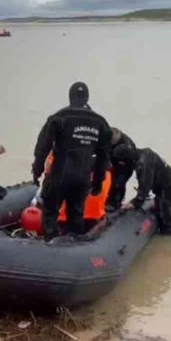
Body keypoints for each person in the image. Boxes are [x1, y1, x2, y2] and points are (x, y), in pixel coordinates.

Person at [31, 82, 112, 239]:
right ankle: (73, 245)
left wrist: (36, 171)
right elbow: (103, 157)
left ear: (70, 97)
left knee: (50, 213)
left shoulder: (59, 118)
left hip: (60, 175)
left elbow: (42, 147)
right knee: (76, 215)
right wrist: (97, 183)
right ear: (87, 98)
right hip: (82, 178)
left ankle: (50, 246)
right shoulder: (101, 123)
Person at [115, 145, 171, 235]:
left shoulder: (144, 163)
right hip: (165, 189)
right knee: (161, 214)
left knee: (167, 227)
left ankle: (167, 244)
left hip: (169, 191)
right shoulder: (143, 154)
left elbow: (145, 185)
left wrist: (135, 202)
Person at [106, 126, 137, 211]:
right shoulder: (106, 136)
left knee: (118, 182)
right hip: (113, 157)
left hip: (126, 164)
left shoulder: (127, 147)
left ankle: (115, 202)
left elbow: (131, 163)